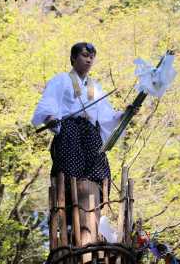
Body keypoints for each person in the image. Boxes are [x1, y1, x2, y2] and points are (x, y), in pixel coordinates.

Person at [31, 42, 123, 195]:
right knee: (69, 170)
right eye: (85, 56)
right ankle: (68, 201)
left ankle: (94, 203)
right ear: (73, 58)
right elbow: (49, 102)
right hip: (69, 130)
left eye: (92, 57)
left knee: (99, 171)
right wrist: (51, 117)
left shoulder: (96, 87)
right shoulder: (61, 79)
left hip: (91, 133)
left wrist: (123, 114)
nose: (89, 60)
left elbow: (107, 115)